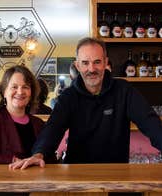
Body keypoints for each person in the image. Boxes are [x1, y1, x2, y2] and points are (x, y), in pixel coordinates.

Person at [9, 37, 162, 170]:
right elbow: (53, 128)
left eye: (97, 62)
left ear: (105, 63)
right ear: (77, 66)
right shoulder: (68, 96)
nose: (91, 69)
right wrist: (38, 154)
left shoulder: (124, 90)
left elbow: (150, 122)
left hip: (116, 173)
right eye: (85, 63)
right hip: (77, 173)